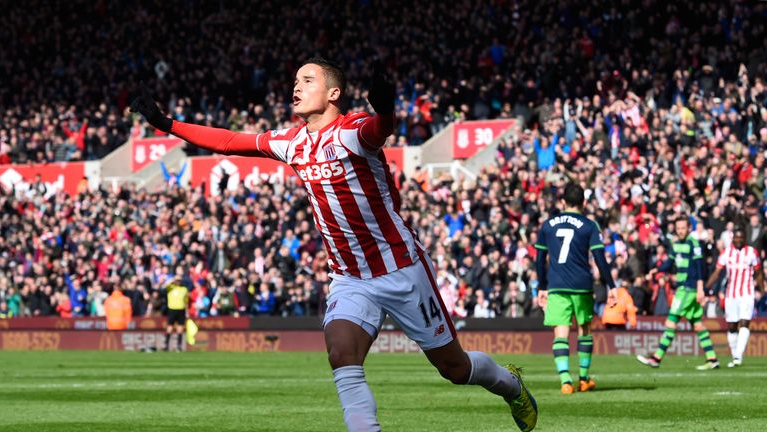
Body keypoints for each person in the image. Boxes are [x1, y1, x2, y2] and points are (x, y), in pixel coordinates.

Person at [131, 57, 537, 431]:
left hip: (401, 269)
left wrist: (386, 109)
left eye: (308, 80)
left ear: (333, 94)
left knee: (453, 367)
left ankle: (510, 385)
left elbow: (379, 130)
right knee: (342, 356)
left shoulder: (352, 131)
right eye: (295, 80)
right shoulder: (291, 143)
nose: (297, 86)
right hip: (349, 277)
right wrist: (167, 124)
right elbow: (229, 141)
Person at [534, 183, 617, 394]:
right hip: (582, 285)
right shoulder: (589, 225)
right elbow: (599, 257)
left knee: (560, 333)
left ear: (563, 202)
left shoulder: (548, 224)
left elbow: (540, 258)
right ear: (584, 203)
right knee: (584, 330)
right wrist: (611, 285)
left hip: (557, 285)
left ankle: (565, 381)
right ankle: (583, 378)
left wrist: (542, 287)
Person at [637, 217, 720, 370]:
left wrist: (700, 288)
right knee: (698, 325)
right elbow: (669, 263)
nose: (681, 231)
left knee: (671, 321)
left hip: (688, 289)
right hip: (684, 288)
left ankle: (656, 358)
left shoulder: (694, 244)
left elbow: (699, 267)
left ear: (689, 228)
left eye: (683, 228)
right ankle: (712, 359)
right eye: (678, 228)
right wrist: (657, 269)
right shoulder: (676, 245)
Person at [704, 228, 764, 367]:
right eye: (736, 238)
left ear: (744, 238)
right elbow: (717, 272)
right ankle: (735, 355)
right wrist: (706, 288)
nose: (738, 240)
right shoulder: (726, 253)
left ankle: (738, 357)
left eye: (741, 238)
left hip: (747, 293)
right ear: (732, 239)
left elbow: (758, 272)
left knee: (744, 322)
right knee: (732, 326)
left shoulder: (751, 252)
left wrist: (762, 289)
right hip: (731, 294)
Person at [164, 266, 189, 352]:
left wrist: (187, 311)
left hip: (181, 309)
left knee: (180, 328)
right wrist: (173, 279)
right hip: (172, 309)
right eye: (177, 280)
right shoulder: (170, 288)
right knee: (170, 327)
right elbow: (165, 285)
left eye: (179, 280)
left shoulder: (184, 289)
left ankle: (178, 346)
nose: (178, 282)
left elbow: (186, 301)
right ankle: (166, 345)